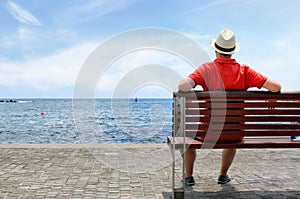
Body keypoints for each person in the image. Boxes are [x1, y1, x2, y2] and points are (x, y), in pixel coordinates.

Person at [178, 29, 281, 186]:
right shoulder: (244, 71)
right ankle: (223, 175)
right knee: (231, 136)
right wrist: (272, 95)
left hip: (209, 134)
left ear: (216, 50)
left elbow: (183, 86)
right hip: (234, 134)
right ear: (232, 51)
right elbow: (275, 86)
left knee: (188, 138)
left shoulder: (206, 69)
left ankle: (189, 176)